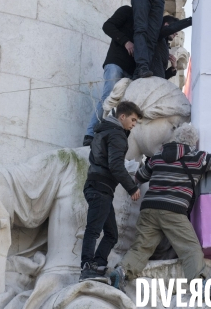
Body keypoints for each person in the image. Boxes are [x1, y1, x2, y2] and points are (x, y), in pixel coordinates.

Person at [108, 123, 211, 289]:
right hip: (173, 211)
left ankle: (122, 272)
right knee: (189, 248)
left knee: (141, 248)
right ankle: (199, 283)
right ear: (193, 143)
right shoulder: (196, 158)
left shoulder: (157, 157)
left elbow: (140, 177)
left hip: (148, 210)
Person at [83, 7, 191, 145]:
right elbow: (107, 26)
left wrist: (172, 69)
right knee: (108, 96)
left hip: (133, 71)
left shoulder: (152, 30)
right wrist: (126, 42)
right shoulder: (128, 12)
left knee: (125, 107)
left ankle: (110, 138)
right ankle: (91, 134)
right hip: (117, 62)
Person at [79, 100, 143, 283]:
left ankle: (98, 265)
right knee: (93, 230)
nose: (134, 124)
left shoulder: (104, 131)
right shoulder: (117, 135)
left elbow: (107, 161)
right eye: (132, 120)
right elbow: (115, 166)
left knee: (111, 234)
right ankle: (86, 268)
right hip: (100, 188)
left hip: (99, 187)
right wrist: (132, 187)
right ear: (121, 116)